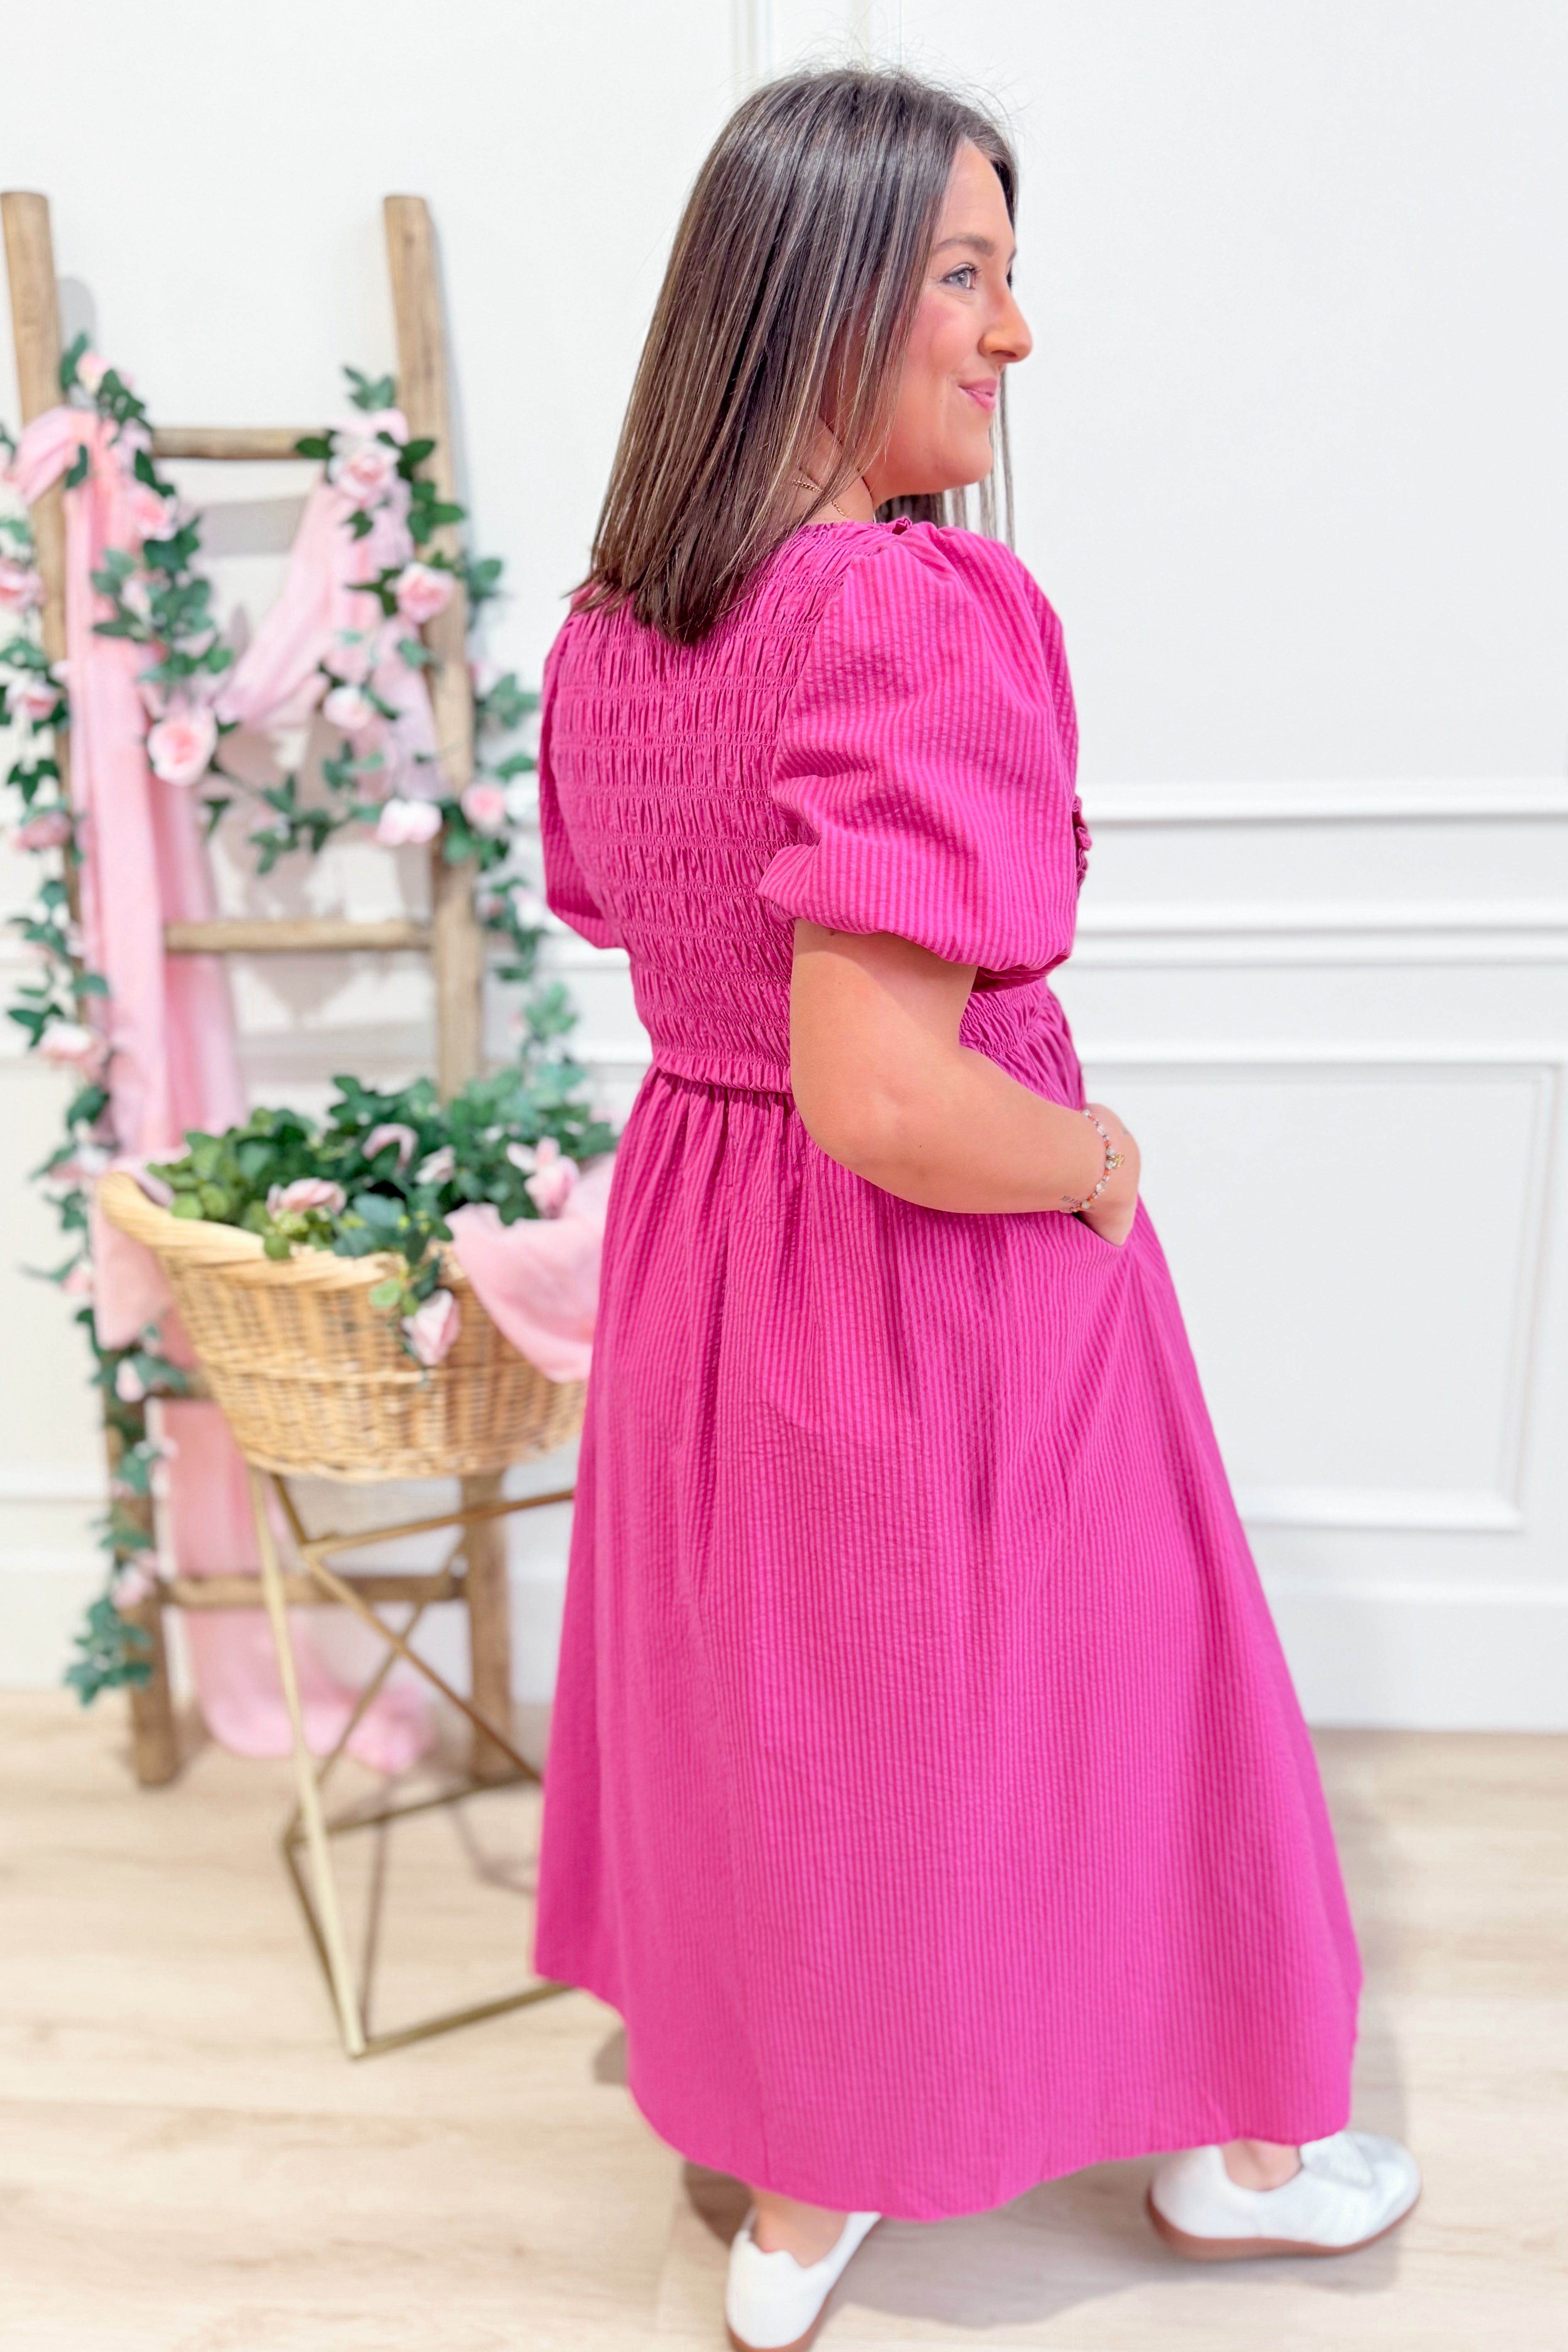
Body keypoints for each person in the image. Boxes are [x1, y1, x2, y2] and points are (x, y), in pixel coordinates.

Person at [532, 66, 1420, 2352]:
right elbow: (886, 1096)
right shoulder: (914, 615)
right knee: (1130, 1689)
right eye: (966, 274)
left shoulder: (617, 624)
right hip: (920, 1271)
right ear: (815, 295)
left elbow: (646, 929)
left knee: (795, 1719)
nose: (1013, 333)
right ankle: (1239, 2157)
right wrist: (1099, 1164)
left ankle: (804, 2178)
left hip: (708, 1249)